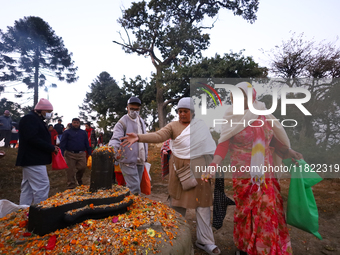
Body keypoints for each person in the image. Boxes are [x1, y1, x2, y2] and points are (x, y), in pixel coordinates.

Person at [205, 82, 303, 255]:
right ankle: (244, 247)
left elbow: (272, 141)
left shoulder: (262, 114)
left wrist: (290, 152)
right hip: (243, 174)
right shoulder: (231, 117)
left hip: (266, 173)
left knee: (267, 209)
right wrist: (213, 164)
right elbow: (222, 146)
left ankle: (265, 249)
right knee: (245, 211)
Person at [120, 97, 221, 254]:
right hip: (180, 171)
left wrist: (212, 167)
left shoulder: (201, 126)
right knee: (177, 205)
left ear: (192, 112)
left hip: (200, 170)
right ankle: (174, 236)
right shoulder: (173, 126)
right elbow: (159, 135)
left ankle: (205, 241)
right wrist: (139, 137)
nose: (181, 114)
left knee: (202, 206)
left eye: (185, 112)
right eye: (179, 111)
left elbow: (209, 148)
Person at [16, 98, 58, 205]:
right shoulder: (30, 119)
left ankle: (23, 212)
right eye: (48, 112)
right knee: (42, 186)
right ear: (41, 110)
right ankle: (40, 213)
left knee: (28, 187)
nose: (49, 114)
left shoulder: (35, 119)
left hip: (31, 158)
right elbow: (32, 138)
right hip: (33, 158)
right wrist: (51, 147)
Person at [108, 96, 148, 195]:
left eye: (137, 109)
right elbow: (116, 138)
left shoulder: (141, 121)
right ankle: (132, 208)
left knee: (137, 185)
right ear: (127, 108)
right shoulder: (122, 123)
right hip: (127, 159)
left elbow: (144, 138)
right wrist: (112, 149)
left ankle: (130, 204)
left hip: (140, 159)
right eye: (132, 109)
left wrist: (146, 155)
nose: (134, 111)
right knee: (134, 188)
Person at [59, 118, 92, 189]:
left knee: (82, 167)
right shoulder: (67, 132)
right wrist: (61, 153)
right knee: (70, 170)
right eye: (74, 123)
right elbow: (62, 144)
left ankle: (78, 178)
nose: (76, 124)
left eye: (77, 123)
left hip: (81, 154)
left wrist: (89, 153)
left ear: (79, 124)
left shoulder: (83, 132)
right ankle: (71, 186)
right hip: (69, 154)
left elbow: (86, 143)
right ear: (72, 123)